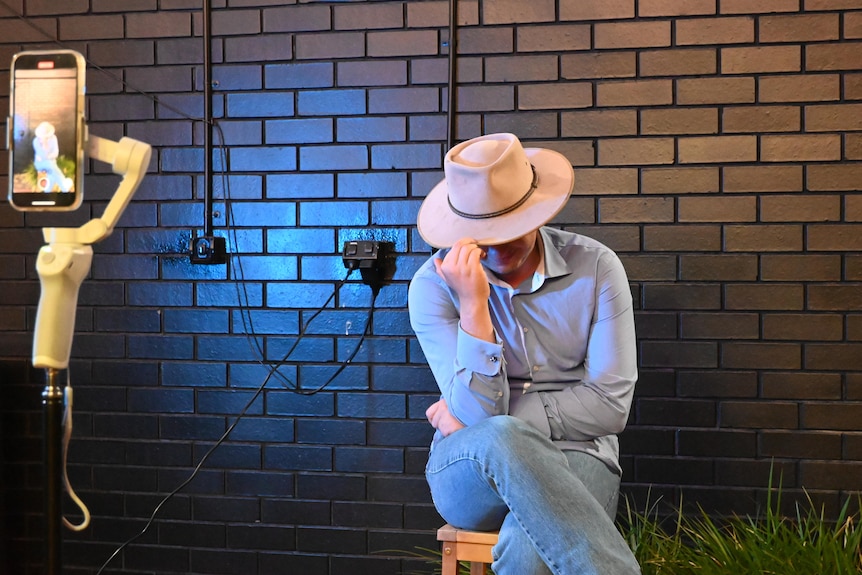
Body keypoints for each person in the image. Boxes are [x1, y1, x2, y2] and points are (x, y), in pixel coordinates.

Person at [408, 133, 641, 575]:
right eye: (481, 235)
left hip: (581, 456)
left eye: (509, 229)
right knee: (499, 438)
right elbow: (479, 426)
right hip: (467, 471)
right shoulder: (434, 287)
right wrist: (474, 306)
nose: (496, 248)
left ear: (536, 212)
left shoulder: (596, 267)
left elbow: (611, 405)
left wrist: (490, 423)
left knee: (530, 545)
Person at [32, 121, 73, 193]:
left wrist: (48, 155)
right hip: (40, 164)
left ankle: (47, 191)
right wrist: (44, 145)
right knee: (51, 166)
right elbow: (42, 156)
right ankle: (64, 187)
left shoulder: (53, 138)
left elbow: (56, 153)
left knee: (51, 174)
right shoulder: (36, 141)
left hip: (51, 162)